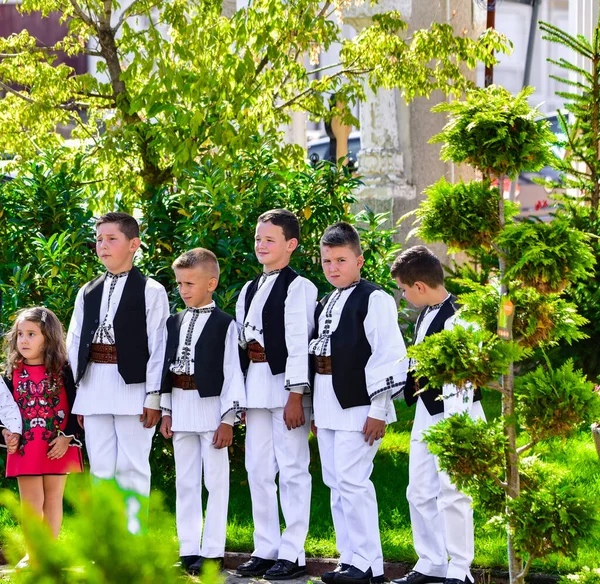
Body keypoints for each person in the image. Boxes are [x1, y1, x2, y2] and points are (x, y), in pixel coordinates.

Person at [310, 222, 407, 584]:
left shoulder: (374, 298)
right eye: (326, 261)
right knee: (335, 482)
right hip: (329, 404)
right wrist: (317, 412)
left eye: (341, 260)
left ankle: (369, 565)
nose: (333, 268)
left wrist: (379, 410)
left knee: (353, 480)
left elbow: (388, 355)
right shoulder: (326, 301)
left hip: (360, 406)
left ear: (359, 260)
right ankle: (349, 558)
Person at [67, 212, 169, 533]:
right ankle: (106, 543)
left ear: (133, 244)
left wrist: (154, 398)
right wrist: (77, 398)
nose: (103, 245)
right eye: (99, 239)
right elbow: (73, 342)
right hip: (94, 388)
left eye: (111, 239)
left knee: (132, 468)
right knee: (100, 469)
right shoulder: (87, 291)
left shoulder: (151, 290)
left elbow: (160, 347)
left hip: (134, 390)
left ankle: (134, 544)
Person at [390, 245, 485, 584]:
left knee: (454, 491)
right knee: (418, 490)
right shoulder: (427, 312)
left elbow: (464, 374)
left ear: (419, 286)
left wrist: (455, 428)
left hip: (456, 413)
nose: (403, 295)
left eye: (403, 289)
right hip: (427, 413)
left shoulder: (461, 314)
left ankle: (460, 568)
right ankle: (430, 560)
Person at [235, 209, 318, 580]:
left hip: (285, 385)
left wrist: (297, 395)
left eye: (270, 239)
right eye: (258, 239)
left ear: (291, 245)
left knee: (293, 469)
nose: (261, 245)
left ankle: (293, 551)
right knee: (257, 468)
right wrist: (237, 397)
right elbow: (240, 342)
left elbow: (299, 343)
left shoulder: (300, 287)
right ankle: (265, 546)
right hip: (254, 386)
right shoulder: (249, 288)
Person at [159, 248, 246, 575]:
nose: (183, 290)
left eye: (190, 283)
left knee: (216, 482)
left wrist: (228, 420)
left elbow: (233, 373)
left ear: (211, 283)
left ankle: (213, 551)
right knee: (186, 482)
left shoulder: (225, 324)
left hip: (211, 412)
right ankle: (188, 550)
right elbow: (164, 369)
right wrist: (166, 410)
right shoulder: (173, 322)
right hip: (181, 409)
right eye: (179, 283)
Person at [3, 306, 83, 568]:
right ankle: (32, 554)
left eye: (31, 334)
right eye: (20, 335)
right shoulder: (9, 374)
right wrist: (5, 433)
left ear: (48, 338)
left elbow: (77, 406)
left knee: (53, 500)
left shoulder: (63, 371)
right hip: (26, 447)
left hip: (57, 445)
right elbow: (2, 411)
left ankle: (48, 553)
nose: (23, 340)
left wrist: (67, 437)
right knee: (31, 502)